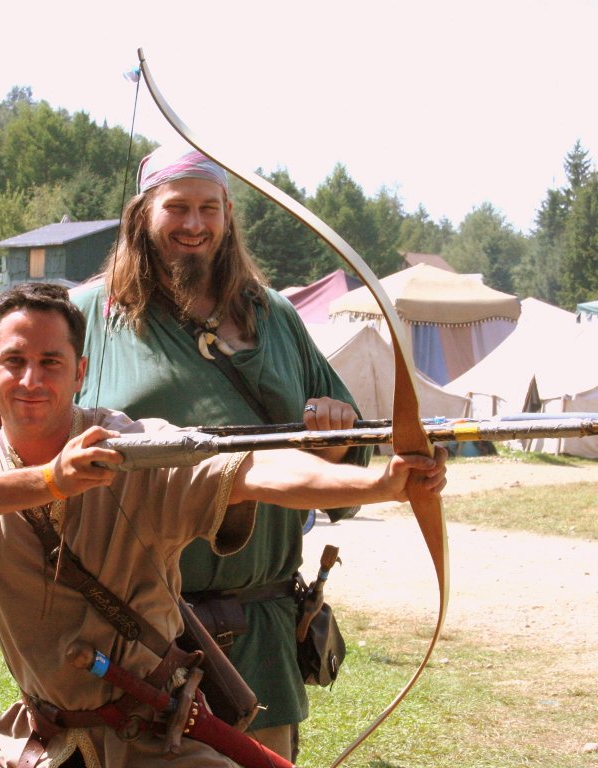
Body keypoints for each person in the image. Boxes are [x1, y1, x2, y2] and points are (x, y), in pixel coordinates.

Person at [0, 282, 446, 767]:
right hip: (43, 738)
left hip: (159, 735)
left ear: (80, 372)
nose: (31, 380)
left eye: (51, 362)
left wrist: (381, 484)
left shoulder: (131, 447)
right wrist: (49, 482)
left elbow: (256, 469)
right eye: (14, 361)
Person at [70, 144, 370, 758]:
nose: (194, 223)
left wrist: (338, 444)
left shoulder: (275, 317)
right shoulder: (89, 315)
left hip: (259, 634)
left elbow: (348, 456)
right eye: (176, 207)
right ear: (141, 215)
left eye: (209, 208)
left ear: (228, 216)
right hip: (130, 633)